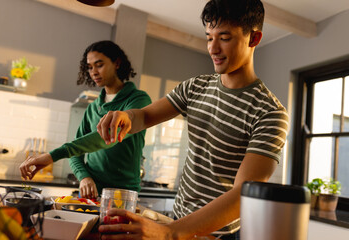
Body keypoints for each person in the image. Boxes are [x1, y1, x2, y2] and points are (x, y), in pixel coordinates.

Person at [95, 0, 289, 239]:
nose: (213, 49)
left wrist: (169, 233)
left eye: (224, 38)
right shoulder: (196, 87)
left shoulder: (270, 113)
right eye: (209, 37)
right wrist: (126, 115)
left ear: (254, 38)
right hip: (177, 222)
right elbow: (144, 116)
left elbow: (244, 193)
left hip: (216, 235)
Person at [19, 40, 151, 199]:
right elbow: (77, 152)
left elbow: (109, 136)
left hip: (123, 194)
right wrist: (84, 177)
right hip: (90, 192)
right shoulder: (93, 108)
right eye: (89, 67)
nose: (93, 71)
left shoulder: (138, 100)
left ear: (117, 63)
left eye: (99, 65)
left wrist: (52, 156)